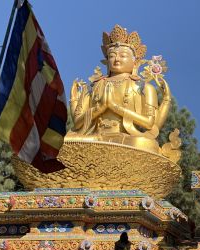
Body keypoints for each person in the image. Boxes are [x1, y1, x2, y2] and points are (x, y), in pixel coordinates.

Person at [69, 24, 172, 155]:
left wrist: (114, 106)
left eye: (123, 55)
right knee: (69, 141)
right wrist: (98, 108)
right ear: (107, 61)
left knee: (144, 144)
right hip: (95, 137)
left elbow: (149, 123)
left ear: (135, 63)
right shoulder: (94, 86)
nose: (116, 59)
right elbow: (78, 123)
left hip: (128, 138)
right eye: (112, 55)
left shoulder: (144, 87)